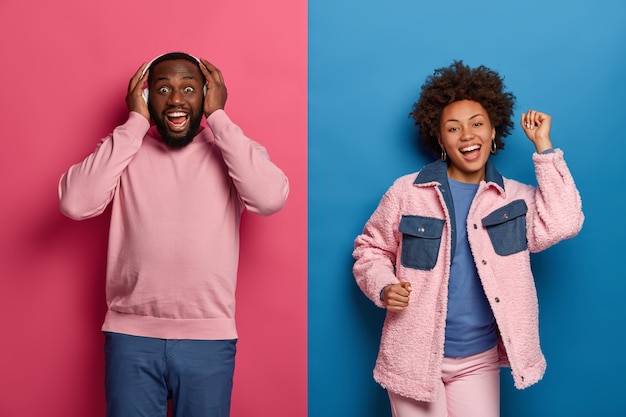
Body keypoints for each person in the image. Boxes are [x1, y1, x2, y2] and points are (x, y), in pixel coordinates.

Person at [58, 52, 289, 417]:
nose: (177, 99)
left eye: (189, 89)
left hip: (208, 339)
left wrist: (220, 118)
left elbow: (269, 199)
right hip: (130, 337)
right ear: (146, 96)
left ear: (208, 94)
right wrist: (135, 123)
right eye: (163, 89)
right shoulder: (124, 149)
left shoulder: (231, 151)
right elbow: (74, 203)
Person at [352, 61, 584, 417]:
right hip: (414, 355)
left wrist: (545, 149)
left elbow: (566, 221)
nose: (467, 135)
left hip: (478, 360)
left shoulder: (515, 199)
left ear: (493, 131)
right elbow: (371, 248)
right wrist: (384, 286)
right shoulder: (407, 192)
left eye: (477, 124)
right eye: (453, 128)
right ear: (440, 139)